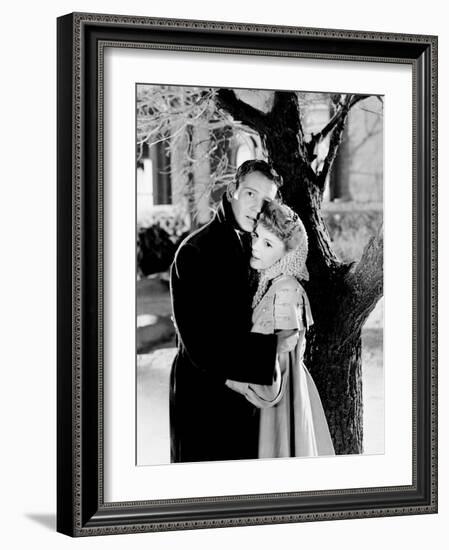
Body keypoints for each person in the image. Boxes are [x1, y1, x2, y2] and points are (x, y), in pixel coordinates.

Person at [169, 160, 297, 463]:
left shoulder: (259, 249)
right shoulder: (195, 251)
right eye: (250, 194)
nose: (256, 206)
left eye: (266, 200)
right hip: (203, 402)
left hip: (248, 400)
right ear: (232, 191)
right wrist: (273, 347)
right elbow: (200, 343)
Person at [225, 201, 335, 458]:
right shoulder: (272, 284)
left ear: (288, 255)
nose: (254, 246)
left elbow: (280, 358)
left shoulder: (285, 290)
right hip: (279, 391)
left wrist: (232, 381)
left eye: (268, 244)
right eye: (257, 237)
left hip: (279, 401)